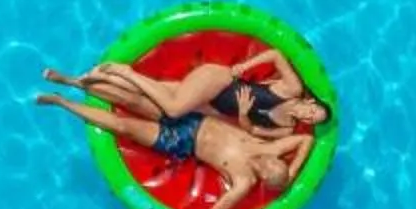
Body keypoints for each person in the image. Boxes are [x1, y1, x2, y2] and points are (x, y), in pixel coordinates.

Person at [35, 89, 316, 209]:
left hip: (182, 142)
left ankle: (62, 102)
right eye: (276, 162)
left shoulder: (244, 181)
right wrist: (292, 171)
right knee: (132, 100)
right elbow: (308, 140)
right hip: (195, 118)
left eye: (270, 168)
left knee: (123, 127)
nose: (269, 161)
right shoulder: (274, 146)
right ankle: (76, 82)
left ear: (264, 179)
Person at [41, 46, 329, 139]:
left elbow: (252, 130)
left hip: (212, 107)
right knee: (173, 109)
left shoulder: (287, 129)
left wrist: (242, 113)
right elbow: (277, 54)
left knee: (137, 97)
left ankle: (69, 80)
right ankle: (126, 70)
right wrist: (244, 66)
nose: (309, 115)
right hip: (218, 82)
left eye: (313, 119)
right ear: (310, 101)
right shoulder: (292, 89)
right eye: (314, 110)